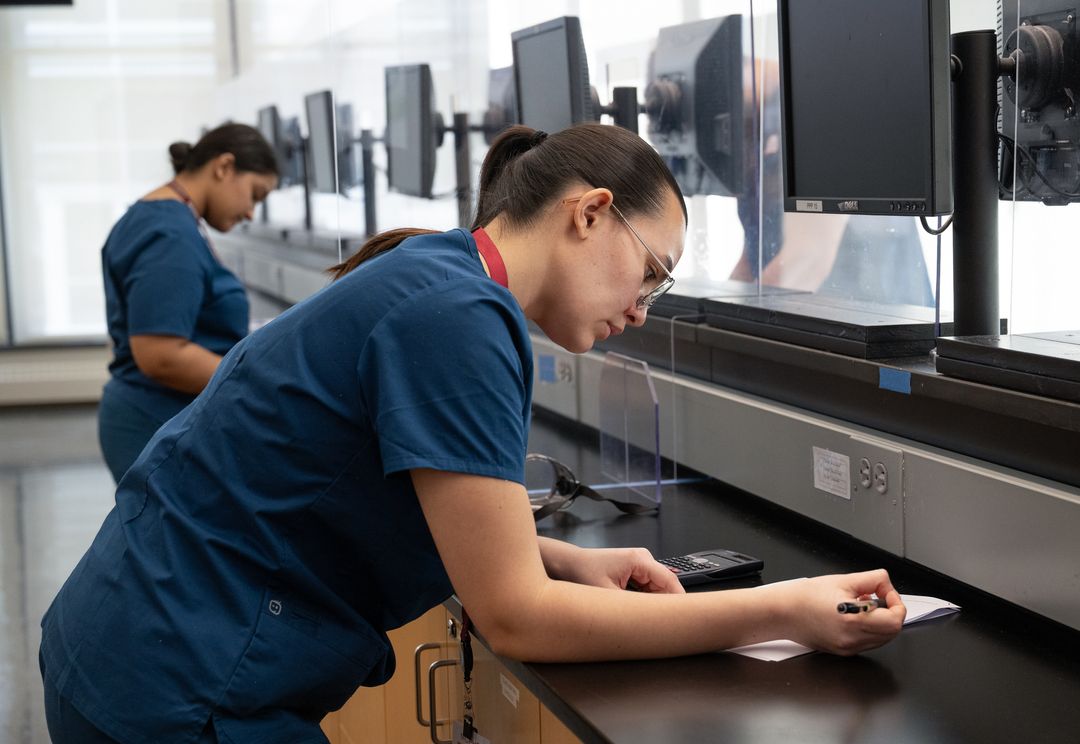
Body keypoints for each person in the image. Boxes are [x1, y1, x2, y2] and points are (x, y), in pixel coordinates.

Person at [41, 123, 906, 744]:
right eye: (649, 274)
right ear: (591, 212)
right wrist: (780, 610)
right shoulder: (461, 317)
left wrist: (567, 557)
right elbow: (518, 618)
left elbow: (427, 503)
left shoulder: (436, 272)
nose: (642, 310)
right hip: (180, 682)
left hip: (131, 637)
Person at [97, 123, 279, 483]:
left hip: (153, 416)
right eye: (255, 195)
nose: (250, 213)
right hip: (154, 420)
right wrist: (257, 385)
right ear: (224, 167)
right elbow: (162, 354)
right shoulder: (169, 234)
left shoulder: (171, 219)